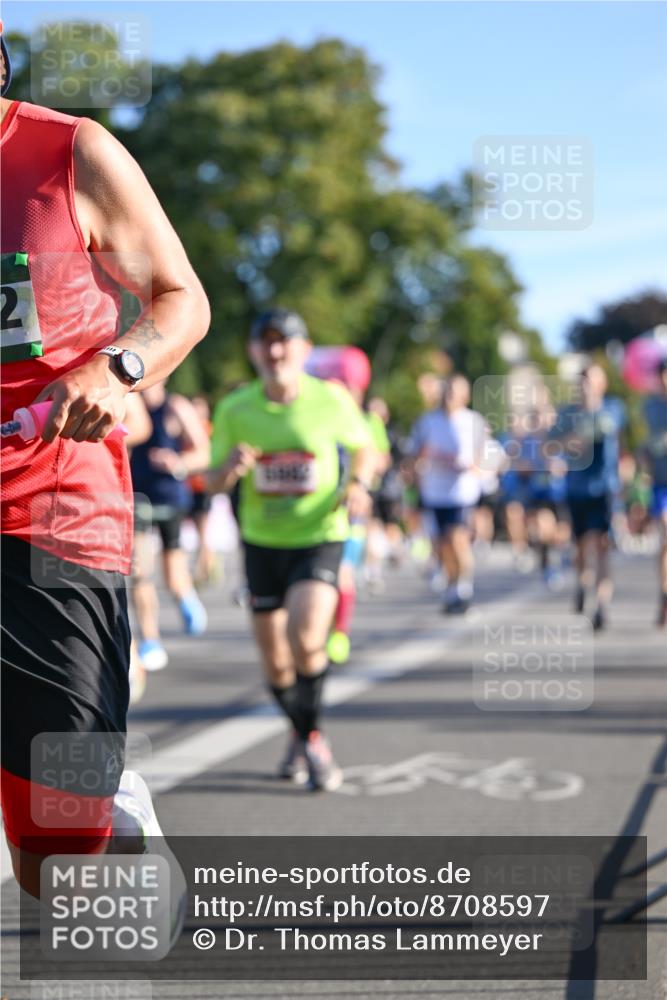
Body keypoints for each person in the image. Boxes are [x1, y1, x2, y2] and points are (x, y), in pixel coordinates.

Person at [0, 30, 210, 904]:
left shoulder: (65, 152)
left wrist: (118, 368)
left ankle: (110, 804)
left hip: (55, 500)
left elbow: (181, 299)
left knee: (56, 860)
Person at [208, 309, 375, 791]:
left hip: (320, 534)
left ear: (304, 350)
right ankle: (299, 731)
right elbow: (212, 480)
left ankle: (314, 739)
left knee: (306, 638)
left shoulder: (331, 399)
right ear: (253, 351)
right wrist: (230, 469)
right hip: (262, 541)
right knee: (276, 662)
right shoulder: (235, 409)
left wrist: (360, 483)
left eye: (286, 343)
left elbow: (365, 447)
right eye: (266, 343)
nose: (276, 352)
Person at [130, 380, 210, 671]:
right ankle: (150, 639)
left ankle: (186, 596)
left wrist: (177, 462)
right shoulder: (129, 404)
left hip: (170, 499)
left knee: (173, 576)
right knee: (140, 572)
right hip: (137, 497)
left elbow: (204, 452)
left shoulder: (175, 407)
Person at [551, 364, 625, 630]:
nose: (586, 387)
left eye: (591, 381)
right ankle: (583, 584)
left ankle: (602, 605)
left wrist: (576, 434)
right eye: (582, 381)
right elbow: (553, 442)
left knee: (602, 545)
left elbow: (604, 428)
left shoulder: (612, 407)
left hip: (604, 488)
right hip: (576, 488)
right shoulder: (567, 413)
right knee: (582, 546)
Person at [411, 374, 490, 614]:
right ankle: (452, 586)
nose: (449, 396)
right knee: (442, 545)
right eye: (447, 391)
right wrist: (421, 464)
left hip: (462, 492)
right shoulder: (427, 422)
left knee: (457, 540)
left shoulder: (474, 421)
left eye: (455, 392)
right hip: (434, 491)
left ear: (465, 396)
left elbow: (488, 454)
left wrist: (475, 469)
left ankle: (463, 589)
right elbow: (414, 454)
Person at [643, 358, 667, 626]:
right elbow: (645, 442)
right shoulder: (650, 407)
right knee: (665, 532)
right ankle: (664, 592)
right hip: (661, 482)